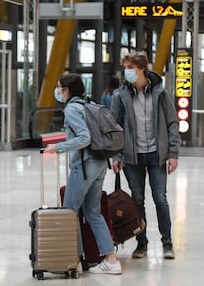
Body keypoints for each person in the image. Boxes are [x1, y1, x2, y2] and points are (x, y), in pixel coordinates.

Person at [45, 73, 122, 275]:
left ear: (67, 90)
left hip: (84, 165)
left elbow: (84, 138)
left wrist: (58, 147)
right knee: (93, 213)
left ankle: (75, 261)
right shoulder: (89, 104)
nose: (57, 90)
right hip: (98, 164)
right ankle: (111, 260)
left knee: (70, 213)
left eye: (59, 87)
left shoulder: (71, 108)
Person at [110, 52, 181, 260]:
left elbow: (172, 123)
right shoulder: (120, 95)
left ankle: (167, 242)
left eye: (130, 68)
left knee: (160, 198)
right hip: (132, 157)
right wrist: (116, 155)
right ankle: (141, 243)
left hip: (156, 154)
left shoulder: (160, 93)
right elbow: (114, 127)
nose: (127, 72)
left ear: (142, 69)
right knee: (137, 200)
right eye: (125, 68)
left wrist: (173, 153)